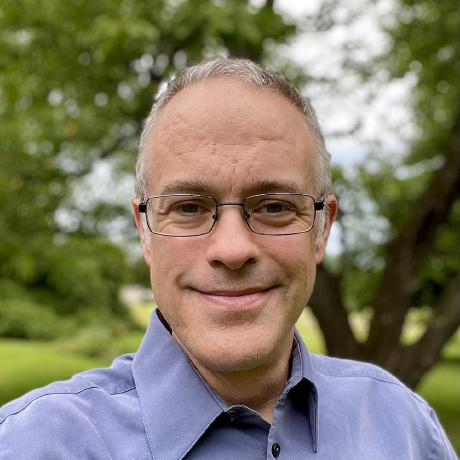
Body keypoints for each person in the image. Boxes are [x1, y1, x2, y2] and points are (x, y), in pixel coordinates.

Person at [0, 57, 456, 460]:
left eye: (274, 206)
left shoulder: (403, 425)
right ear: (144, 231)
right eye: (189, 208)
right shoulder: (32, 446)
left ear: (322, 228)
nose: (233, 250)